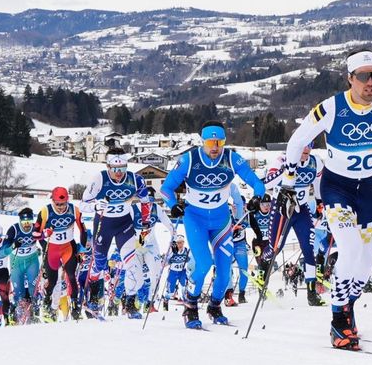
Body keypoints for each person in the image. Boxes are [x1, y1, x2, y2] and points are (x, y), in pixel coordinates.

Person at [283, 51, 372, 350]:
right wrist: (288, 181)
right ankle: (338, 319)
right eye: (363, 76)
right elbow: (297, 141)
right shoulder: (332, 107)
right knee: (348, 248)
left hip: (371, 191)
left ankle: (348, 308)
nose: (370, 82)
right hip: (338, 188)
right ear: (350, 78)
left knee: (363, 265)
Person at [160, 122, 267, 330]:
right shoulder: (189, 160)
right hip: (195, 219)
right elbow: (166, 188)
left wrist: (258, 196)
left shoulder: (231, 159)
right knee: (204, 264)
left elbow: (256, 182)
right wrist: (173, 206)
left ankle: (215, 306)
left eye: (220, 142)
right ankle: (190, 304)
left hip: (221, 221)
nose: (215, 147)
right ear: (203, 142)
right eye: (211, 142)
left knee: (225, 271)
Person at [82, 150, 152, 311]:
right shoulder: (99, 179)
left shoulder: (135, 179)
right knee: (99, 265)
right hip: (103, 225)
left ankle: (130, 303)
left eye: (122, 168)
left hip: (124, 225)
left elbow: (146, 201)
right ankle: (92, 297)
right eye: (115, 169)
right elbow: (82, 205)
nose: (119, 173)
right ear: (108, 166)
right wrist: (94, 206)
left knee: (132, 264)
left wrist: (146, 221)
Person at [263, 150, 321, 300]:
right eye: (301, 146)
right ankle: (263, 260)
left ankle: (311, 293)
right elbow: (267, 183)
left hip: (301, 209)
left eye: (309, 145)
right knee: (276, 248)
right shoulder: (282, 159)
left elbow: (319, 184)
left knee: (308, 248)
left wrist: (320, 202)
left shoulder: (315, 162)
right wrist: (284, 170)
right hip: (281, 210)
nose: (305, 150)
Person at [40, 187, 88, 319]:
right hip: (53, 250)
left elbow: (83, 230)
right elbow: (35, 233)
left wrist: (82, 248)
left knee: (71, 276)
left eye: (63, 203)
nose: (60, 207)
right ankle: (47, 301)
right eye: (57, 204)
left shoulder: (74, 210)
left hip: (68, 248)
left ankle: (74, 305)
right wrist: (45, 235)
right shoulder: (45, 211)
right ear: (52, 201)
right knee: (53, 280)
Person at [6, 208, 43, 321]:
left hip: (32, 261)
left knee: (33, 287)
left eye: (29, 222)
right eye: (24, 222)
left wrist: (44, 248)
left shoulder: (36, 227)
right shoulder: (14, 229)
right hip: (16, 262)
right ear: (20, 221)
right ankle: (20, 313)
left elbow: (43, 240)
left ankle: (35, 311)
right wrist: (13, 244)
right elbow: (5, 246)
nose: (27, 225)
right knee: (19, 291)